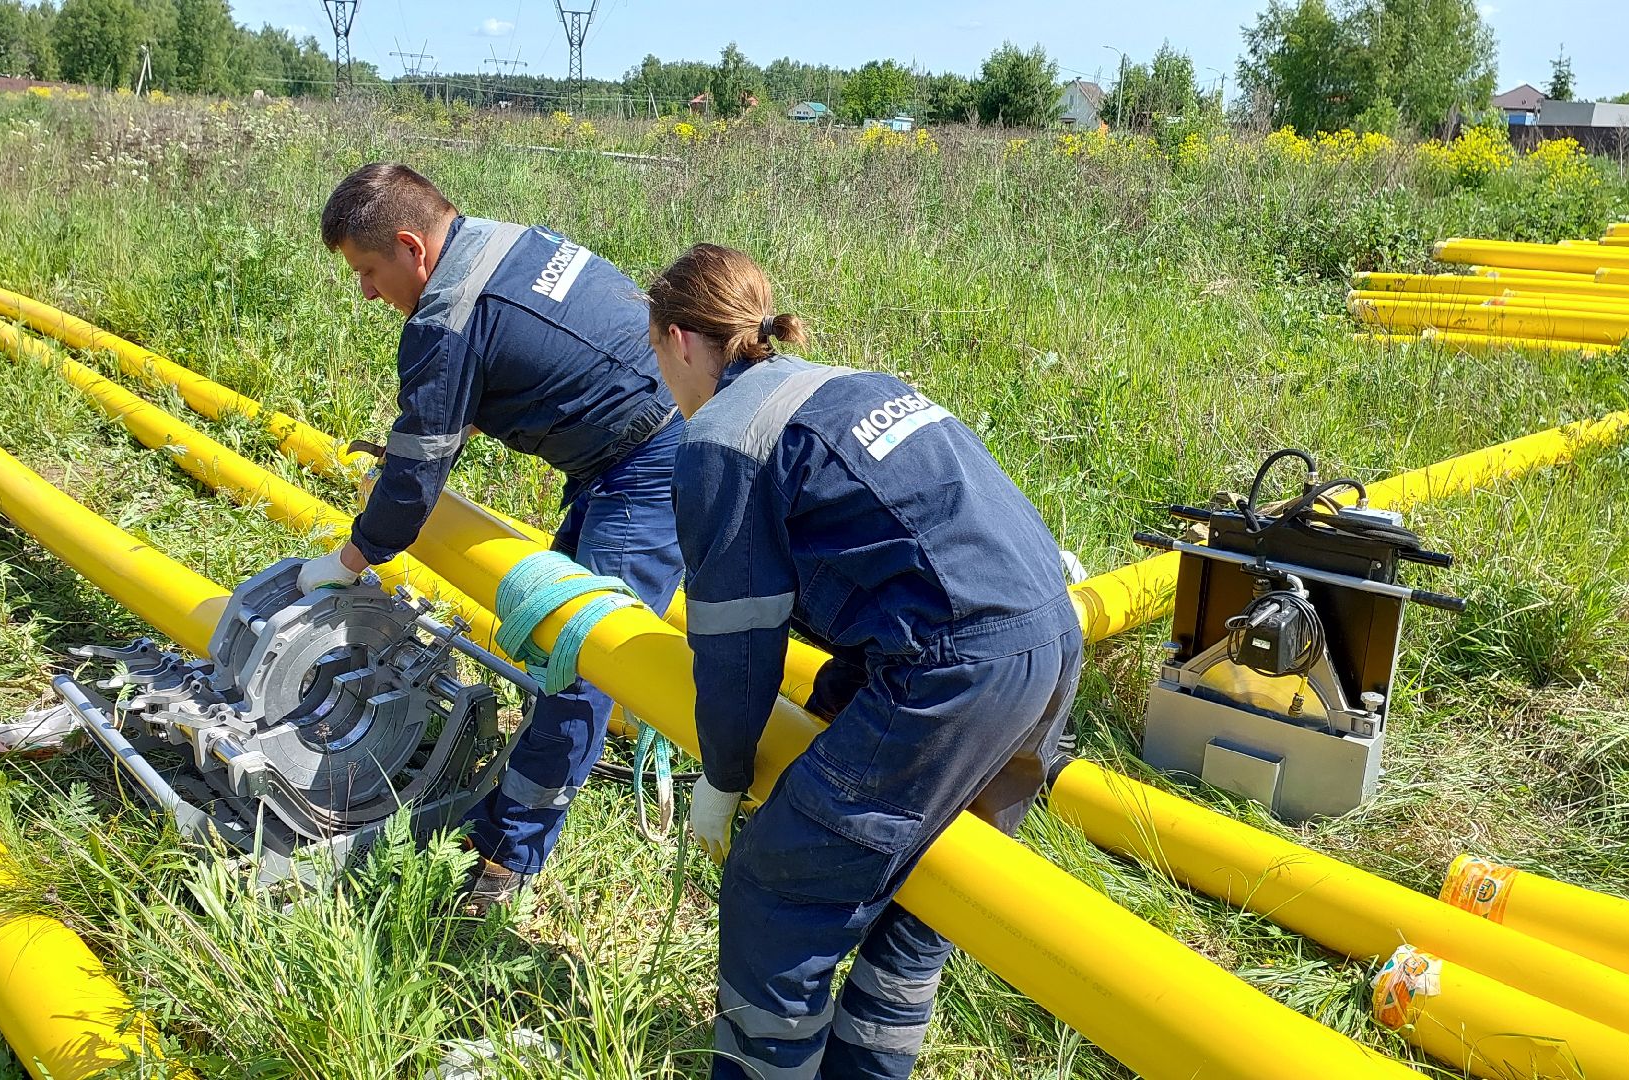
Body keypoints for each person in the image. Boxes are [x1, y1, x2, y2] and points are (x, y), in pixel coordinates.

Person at [648, 244, 1083, 1080]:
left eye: (661, 360)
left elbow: (738, 645)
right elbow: (908, 549)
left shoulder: (725, 439)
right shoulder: (852, 384)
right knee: (932, 889)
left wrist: (724, 776)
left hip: (957, 673)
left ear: (680, 341)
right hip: (1052, 640)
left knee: (778, 888)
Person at [308, 162, 685, 908]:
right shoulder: (506, 243)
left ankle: (504, 861)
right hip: (636, 438)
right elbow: (527, 356)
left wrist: (349, 562)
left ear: (413, 247)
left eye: (370, 271)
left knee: (585, 662)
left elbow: (411, 491)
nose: (367, 293)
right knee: (555, 636)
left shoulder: (444, 320)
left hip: (647, 466)